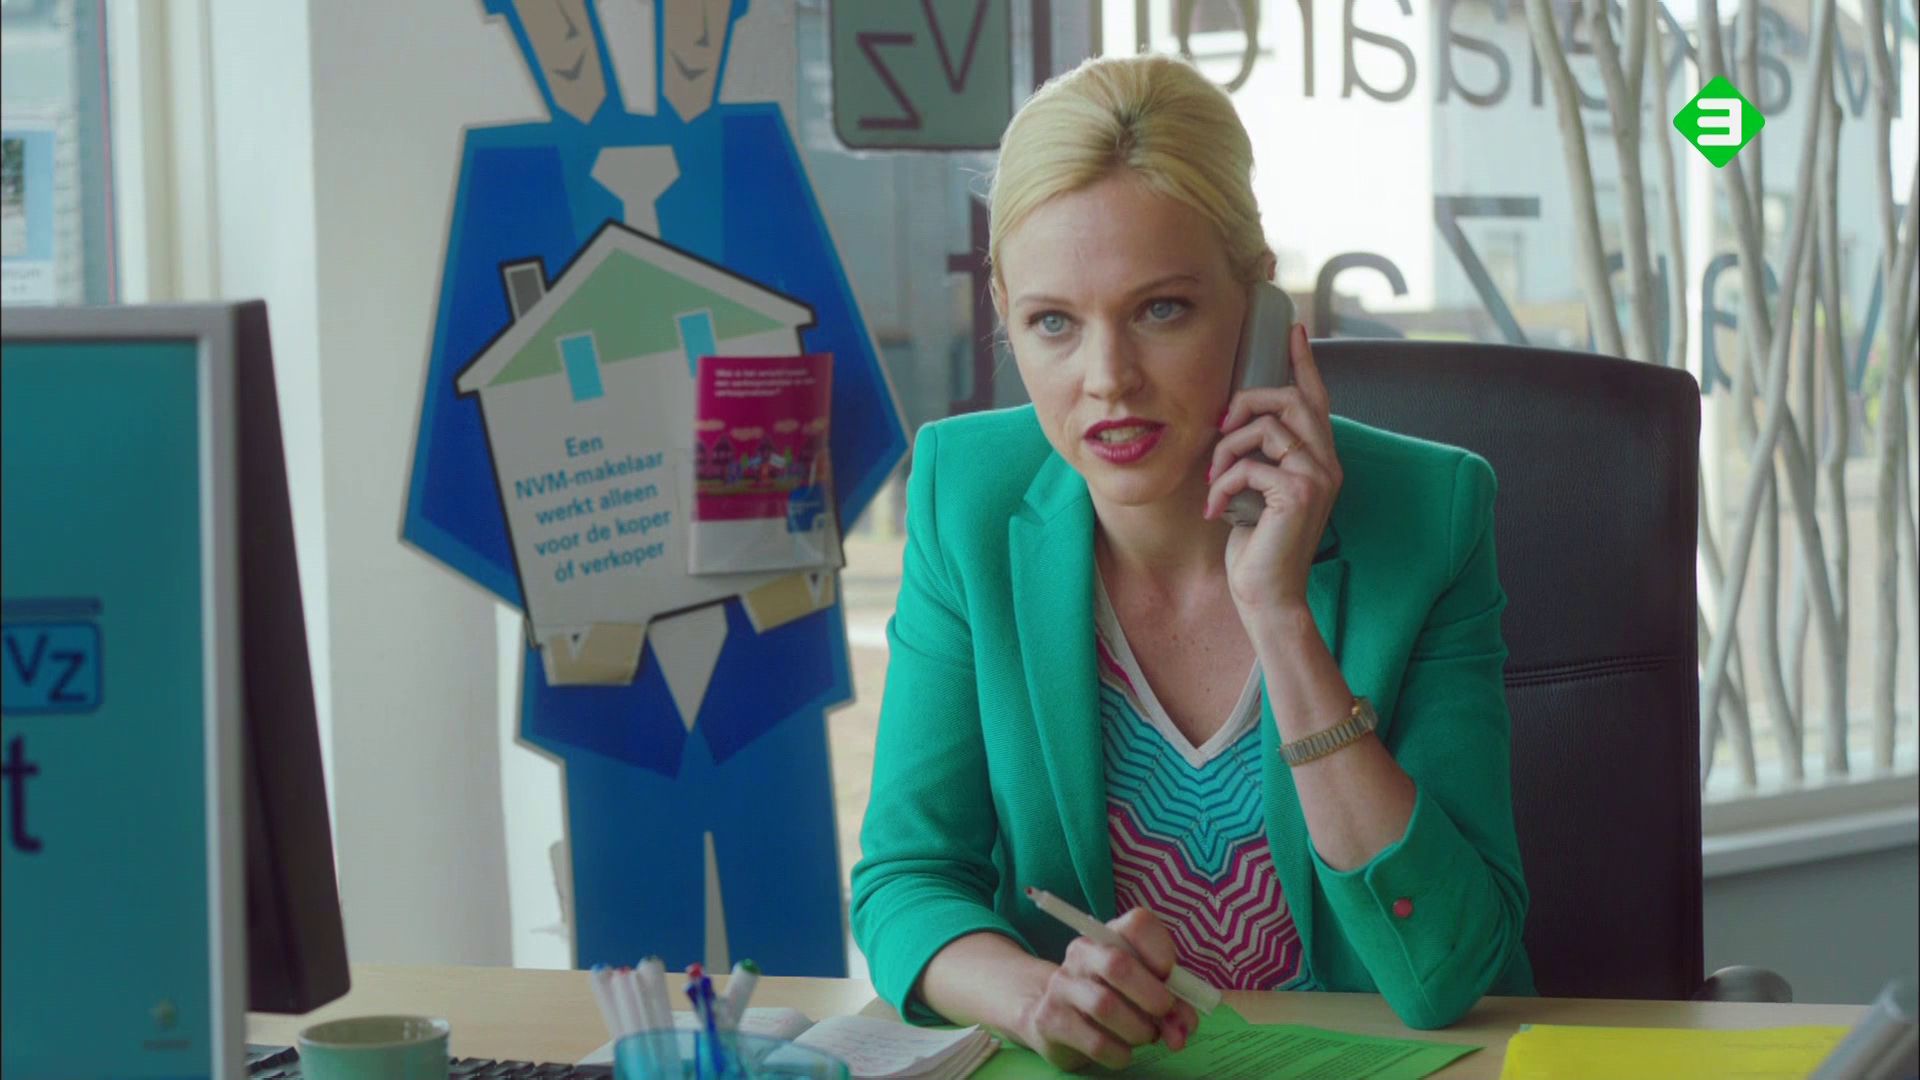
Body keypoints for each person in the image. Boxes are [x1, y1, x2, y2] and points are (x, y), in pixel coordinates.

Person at [849, 54, 1535, 1071]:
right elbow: (907, 881)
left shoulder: (1428, 517)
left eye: (1160, 309)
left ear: (1257, 304)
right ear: (1003, 310)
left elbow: (1446, 971)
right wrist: (1041, 998)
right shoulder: (967, 499)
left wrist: (1282, 618)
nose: (1108, 381)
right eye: (1053, 322)